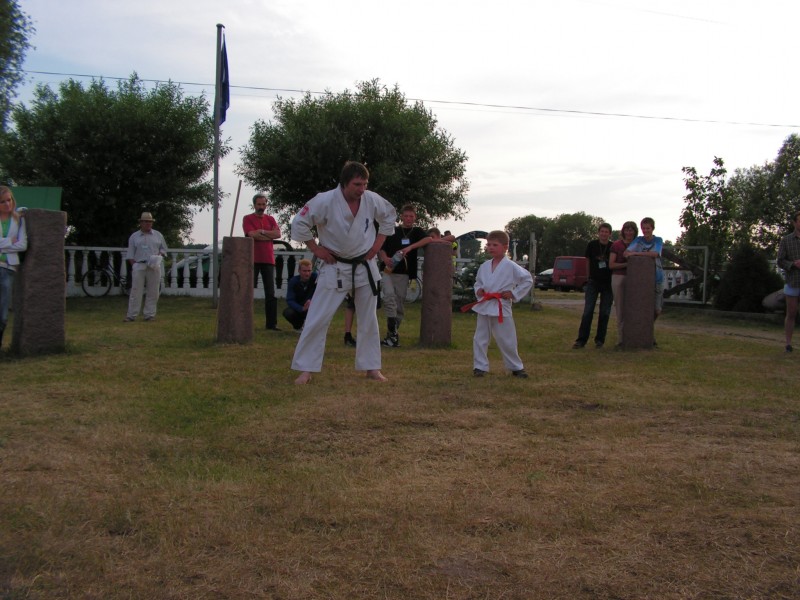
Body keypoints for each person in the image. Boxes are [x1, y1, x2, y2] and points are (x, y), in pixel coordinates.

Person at [290, 161, 396, 384]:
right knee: (318, 317)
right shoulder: (325, 200)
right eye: (357, 184)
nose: (362, 189)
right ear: (344, 183)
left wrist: (377, 245)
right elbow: (299, 223)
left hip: (364, 265)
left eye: (365, 184)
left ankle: (372, 367)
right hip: (335, 266)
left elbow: (389, 216)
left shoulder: (371, 199)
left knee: (368, 318)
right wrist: (316, 249)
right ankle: (306, 369)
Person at [378, 206, 455, 347]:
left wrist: (411, 247)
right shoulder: (392, 230)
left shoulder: (417, 232)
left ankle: (391, 336)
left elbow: (429, 239)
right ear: (401, 216)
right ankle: (393, 336)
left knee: (399, 305)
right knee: (389, 298)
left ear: (415, 218)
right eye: (406, 216)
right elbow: (381, 248)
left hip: (404, 274)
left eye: (411, 216)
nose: (408, 219)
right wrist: (385, 258)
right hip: (388, 271)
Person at [467, 230, 532, 378]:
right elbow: (478, 283)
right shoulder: (484, 266)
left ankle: (516, 367)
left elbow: (527, 280)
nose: (491, 247)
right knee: (480, 337)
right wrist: (479, 290)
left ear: (505, 247)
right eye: (489, 244)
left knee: (506, 338)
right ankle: (479, 366)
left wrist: (513, 293)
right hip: (485, 304)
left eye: (495, 245)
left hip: (500, 304)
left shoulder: (511, 266)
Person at [243, 193, 282, 330]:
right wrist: (268, 235)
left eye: (263, 204)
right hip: (252, 259)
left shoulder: (270, 219)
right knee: (248, 292)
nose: (261, 207)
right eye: (259, 204)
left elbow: (278, 234)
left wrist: (262, 232)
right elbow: (251, 234)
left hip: (268, 260)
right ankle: (245, 322)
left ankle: (271, 324)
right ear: (254, 205)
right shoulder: (247, 218)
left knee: (270, 293)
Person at [572, 223, 614, 349]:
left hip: (608, 283)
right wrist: (588, 277)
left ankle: (600, 340)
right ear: (598, 232)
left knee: (605, 312)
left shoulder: (613, 246)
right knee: (588, 311)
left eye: (606, 232)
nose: (604, 234)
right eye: (602, 231)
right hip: (593, 281)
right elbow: (588, 261)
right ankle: (581, 340)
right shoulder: (592, 245)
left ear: (610, 234)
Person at [624, 217, 665, 342]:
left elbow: (655, 254)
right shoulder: (638, 240)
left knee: (657, 309)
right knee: (641, 307)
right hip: (641, 280)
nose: (646, 231)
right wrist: (633, 253)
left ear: (652, 228)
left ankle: (647, 330)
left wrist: (636, 253)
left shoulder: (658, 240)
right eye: (644, 228)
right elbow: (626, 253)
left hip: (657, 277)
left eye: (648, 228)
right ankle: (642, 332)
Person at [124, 212, 167, 322]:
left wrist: (159, 256)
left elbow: (163, 249)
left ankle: (149, 315)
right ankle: (131, 315)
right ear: (141, 223)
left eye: (150, 222)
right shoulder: (134, 236)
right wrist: (134, 265)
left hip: (154, 266)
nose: (148, 223)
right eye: (146, 221)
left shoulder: (158, 235)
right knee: (135, 291)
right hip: (139, 265)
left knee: (153, 291)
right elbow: (130, 253)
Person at [0, 186, 28, 349]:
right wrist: (11, 241)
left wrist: (2, 245)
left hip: (8, 267)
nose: (7, 204)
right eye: (2, 202)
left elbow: (23, 245)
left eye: (9, 200)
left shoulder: (19, 219)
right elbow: (16, 243)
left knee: (3, 313)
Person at [609, 221, 638, 347]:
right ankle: (621, 338)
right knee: (620, 308)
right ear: (623, 231)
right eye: (627, 230)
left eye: (631, 230)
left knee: (634, 308)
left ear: (635, 231)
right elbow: (611, 264)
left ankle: (635, 337)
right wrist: (627, 264)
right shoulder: (616, 245)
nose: (629, 232)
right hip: (619, 277)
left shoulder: (638, 244)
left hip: (635, 279)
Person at [776, 210, 800, 353]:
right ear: (794, 223)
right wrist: (793, 264)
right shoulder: (786, 240)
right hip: (793, 281)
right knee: (791, 313)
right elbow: (780, 260)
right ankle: (788, 344)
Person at [282, 258, 317, 331]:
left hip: (313, 307)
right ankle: (298, 326)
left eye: (309, 271)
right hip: (299, 308)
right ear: (299, 271)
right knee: (288, 312)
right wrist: (301, 308)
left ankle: (313, 327)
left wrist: (311, 302)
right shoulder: (293, 282)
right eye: (304, 271)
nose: (307, 274)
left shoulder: (316, 278)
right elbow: (290, 300)